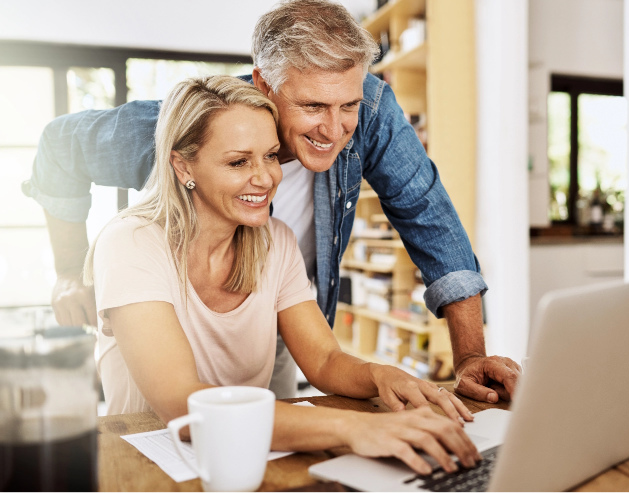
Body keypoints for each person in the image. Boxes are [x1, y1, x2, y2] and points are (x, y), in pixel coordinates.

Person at [24, 0, 520, 403]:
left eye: (347, 104)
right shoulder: (189, 125)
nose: (335, 128)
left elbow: (428, 215)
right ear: (264, 83)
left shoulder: (367, 109)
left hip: (280, 321)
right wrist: (70, 269)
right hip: (168, 318)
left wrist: (469, 358)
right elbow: (59, 148)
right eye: (312, 107)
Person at [87, 74, 481, 475]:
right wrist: (356, 427)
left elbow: (324, 360)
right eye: (238, 161)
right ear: (182, 165)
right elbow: (184, 404)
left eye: (271, 156)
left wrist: (381, 375)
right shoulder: (131, 242)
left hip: (248, 463)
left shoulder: (275, 241)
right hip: (147, 471)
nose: (265, 178)